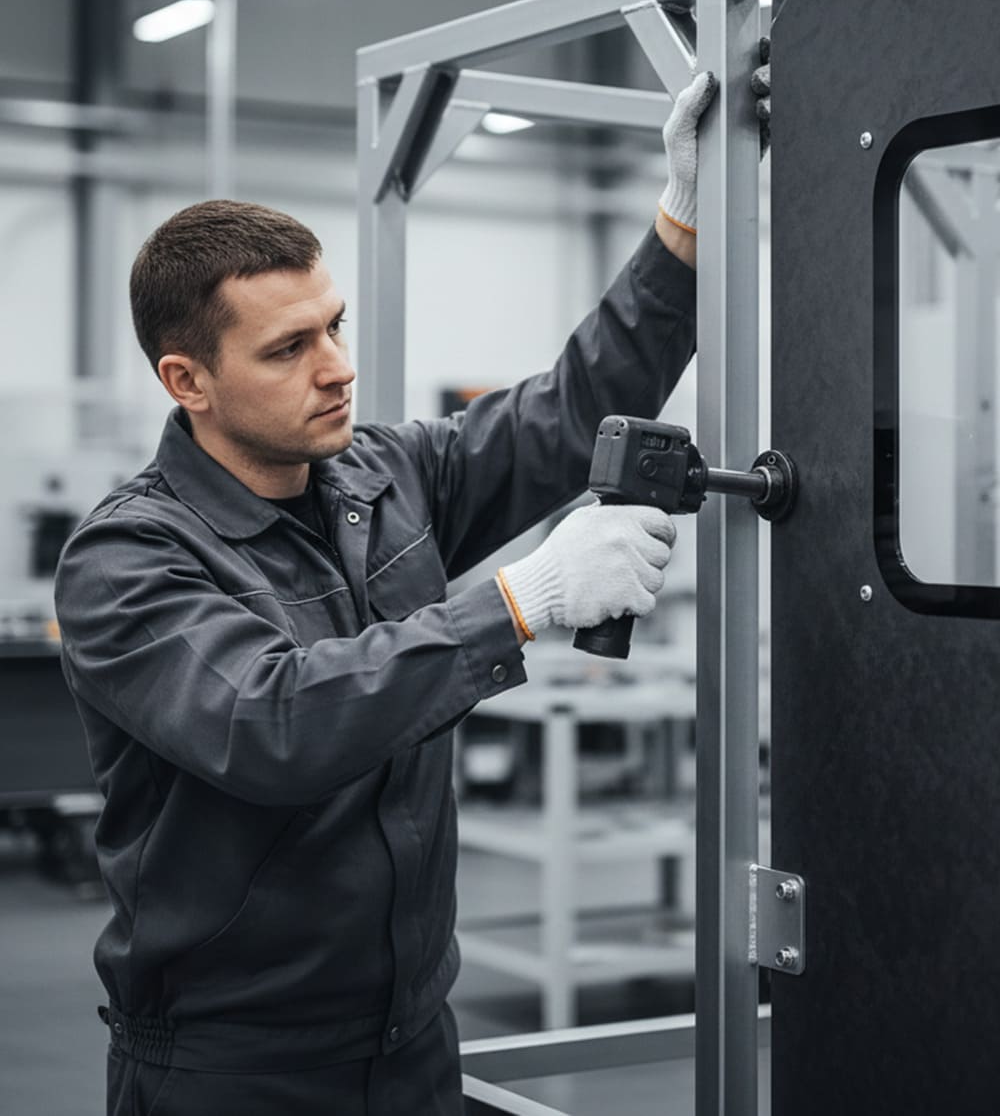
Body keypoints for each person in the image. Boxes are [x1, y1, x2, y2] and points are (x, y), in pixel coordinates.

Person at [54, 71, 717, 1116]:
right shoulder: (128, 559)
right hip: (233, 1069)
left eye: (334, 326)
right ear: (187, 380)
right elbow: (274, 722)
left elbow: (573, 406)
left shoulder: (388, 474)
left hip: (413, 1039)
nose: (336, 368)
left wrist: (682, 220)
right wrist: (525, 595)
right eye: (288, 348)